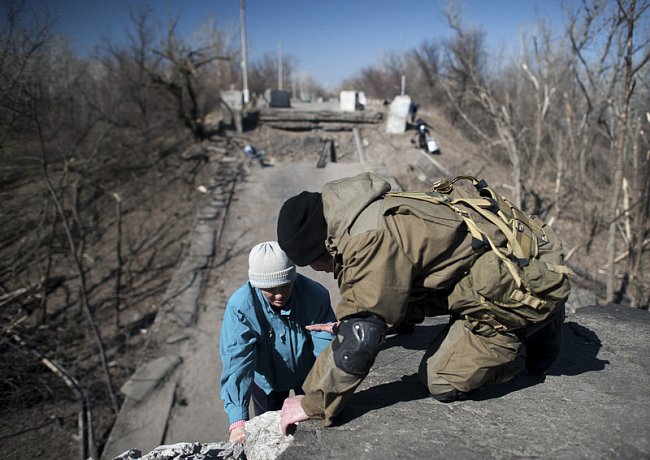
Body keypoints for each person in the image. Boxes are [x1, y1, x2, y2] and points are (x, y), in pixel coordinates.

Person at [275, 172, 572, 434]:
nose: (321, 271)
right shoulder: (362, 207)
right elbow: (391, 290)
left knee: (440, 379)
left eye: (314, 264)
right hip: (509, 257)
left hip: (506, 288)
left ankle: (523, 326)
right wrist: (354, 318)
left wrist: (313, 402)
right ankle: (534, 314)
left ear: (322, 247)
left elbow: (361, 339)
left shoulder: (368, 240)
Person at [219, 241, 336, 443]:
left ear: (294, 278)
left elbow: (327, 350)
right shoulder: (241, 308)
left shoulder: (315, 296)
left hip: (308, 375)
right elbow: (237, 362)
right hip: (266, 384)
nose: (279, 294)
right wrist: (238, 421)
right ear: (257, 285)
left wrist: (325, 392)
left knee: (318, 424)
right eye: (270, 290)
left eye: (285, 285)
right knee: (272, 433)